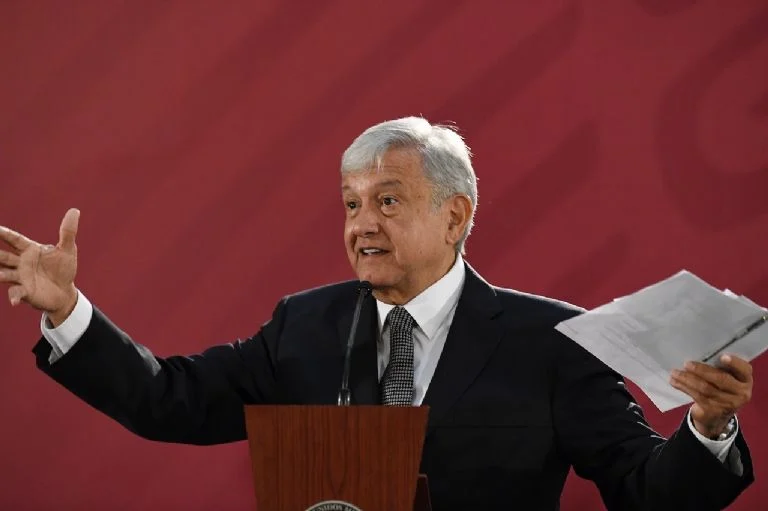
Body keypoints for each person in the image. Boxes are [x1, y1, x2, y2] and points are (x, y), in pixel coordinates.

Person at [0, 117, 755, 510]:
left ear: (456, 216)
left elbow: (644, 491)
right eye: (351, 204)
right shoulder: (303, 327)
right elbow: (168, 399)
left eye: (387, 201)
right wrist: (68, 311)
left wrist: (709, 426)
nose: (362, 224)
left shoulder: (551, 342)